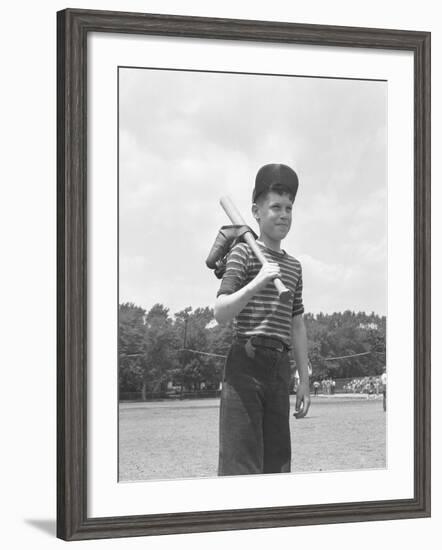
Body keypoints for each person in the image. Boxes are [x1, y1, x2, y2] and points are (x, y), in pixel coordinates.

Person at [214, 163, 310, 476]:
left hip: (279, 369)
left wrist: (305, 379)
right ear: (256, 212)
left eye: (289, 208)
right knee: (241, 465)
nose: (283, 215)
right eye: (275, 207)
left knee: (278, 465)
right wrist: (257, 282)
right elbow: (221, 312)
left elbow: (297, 326)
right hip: (245, 364)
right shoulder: (243, 253)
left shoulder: (294, 267)